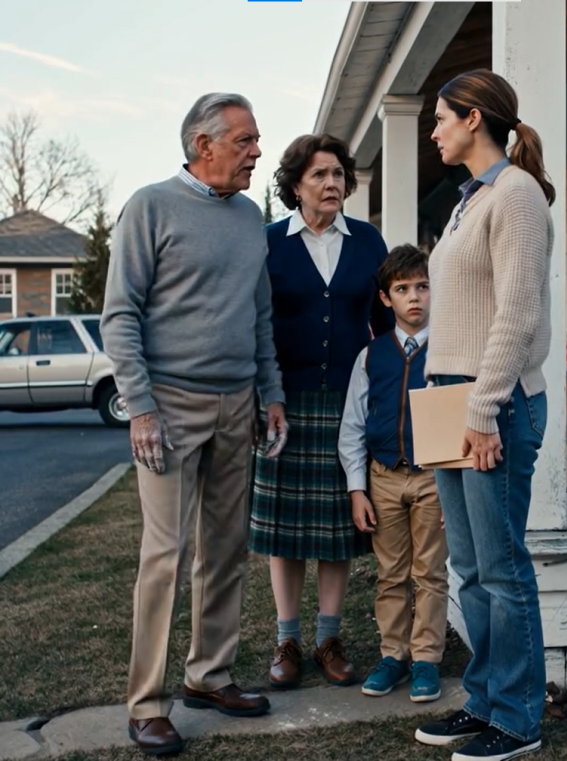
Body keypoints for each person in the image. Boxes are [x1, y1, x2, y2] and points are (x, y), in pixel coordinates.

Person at [101, 92, 287, 757]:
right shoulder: (150, 207)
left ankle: (209, 675)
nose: (257, 152)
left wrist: (270, 393)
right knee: (166, 554)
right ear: (203, 145)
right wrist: (141, 407)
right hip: (170, 406)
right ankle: (147, 704)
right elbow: (120, 315)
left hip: (237, 404)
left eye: (257, 140)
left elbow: (258, 314)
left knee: (227, 547)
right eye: (245, 141)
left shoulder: (249, 216)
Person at [413, 69, 555, 761]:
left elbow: (517, 313)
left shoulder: (516, 194)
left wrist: (483, 406)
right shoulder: (468, 202)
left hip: (490, 401)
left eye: (441, 118)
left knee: (501, 568)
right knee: (468, 569)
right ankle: (484, 701)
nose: (434, 132)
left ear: (474, 118)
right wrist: (446, 398)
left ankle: (519, 718)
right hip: (450, 399)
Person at [249, 133, 394, 689]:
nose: (332, 183)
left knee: (338, 527)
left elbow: (385, 322)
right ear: (295, 186)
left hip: (349, 404)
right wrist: (264, 395)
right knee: (284, 531)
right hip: (283, 405)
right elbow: (255, 322)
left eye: (338, 174)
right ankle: (287, 639)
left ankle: (329, 638)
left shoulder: (367, 240)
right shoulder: (268, 242)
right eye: (319, 175)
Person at [338, 244, 448, 704]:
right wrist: (357, 489)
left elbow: (460, 420)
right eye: (402, 289)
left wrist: (454, 488)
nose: (414, 297)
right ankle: (393, 655)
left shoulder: (449, 350)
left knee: (430, 573)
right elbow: (352, 425)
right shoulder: (371, 356)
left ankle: (426, 659)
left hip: (433, 479)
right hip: (383, 476)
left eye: (422, 286)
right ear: (386, 298)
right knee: (391, 574)